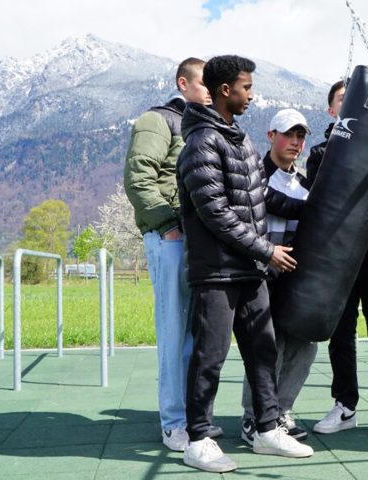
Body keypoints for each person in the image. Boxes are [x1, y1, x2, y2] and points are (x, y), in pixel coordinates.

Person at [177, 55, 313, 473]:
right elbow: (216, 213)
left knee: (262, 351)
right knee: (211, 356)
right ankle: (198, 439)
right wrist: (265, 249)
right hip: (217, 271)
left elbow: (262, 198)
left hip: (249, 271)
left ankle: (268, 429)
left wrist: (317, 209)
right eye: (246, 87)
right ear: (224, 90)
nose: (251, 95)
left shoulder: (239, 139)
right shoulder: (202, 143)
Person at [123, 57, 221, 452]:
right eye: (204, 85)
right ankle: (174, 423)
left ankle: (194, 419)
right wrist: (167, 224)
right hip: (171, 237)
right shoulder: (158, 120)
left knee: (197, 334)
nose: (211, 92)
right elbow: (138, 174)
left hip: (198, 240)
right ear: (183, 83)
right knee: (173, 333)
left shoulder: (204, 124)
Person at [309, 80, 368, 442]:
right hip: (338, 256)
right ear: (333, 110)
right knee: (341, 334)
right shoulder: (320, 152)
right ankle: (345, 405)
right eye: (342, 100)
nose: (351, 105)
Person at [239, 108, 317, 445]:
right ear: (271, 135)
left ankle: (280, 410)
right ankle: (252, 417)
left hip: (295, 279)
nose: (296, 143)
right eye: (289, 135)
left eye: (301, 136)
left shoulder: (303, 183)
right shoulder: (255, 174)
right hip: (260, 274)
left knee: (305, 343)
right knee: (266, 347)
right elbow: (270, 205)